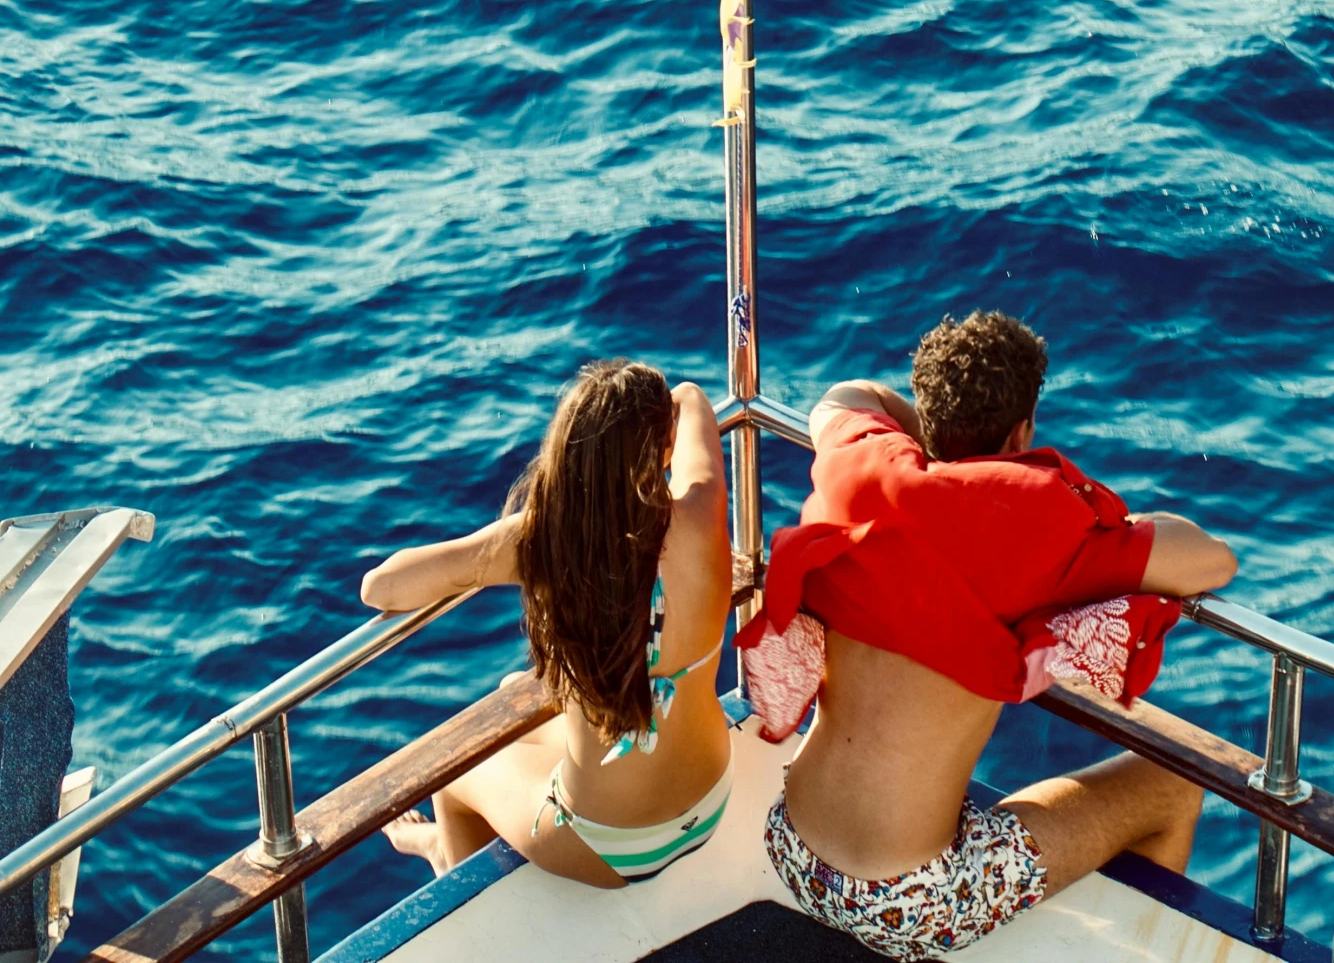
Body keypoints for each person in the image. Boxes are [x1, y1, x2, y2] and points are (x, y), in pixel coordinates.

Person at [752, 310, 1239, 958]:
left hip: (791, 839)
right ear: (1022, 431)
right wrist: (1115, 527)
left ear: (926, 416)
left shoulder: (862, 465)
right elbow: (1211, 560)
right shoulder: (1042, 532)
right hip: (904, 898)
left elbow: (844, 396)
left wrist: (929, 449)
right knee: (1173, 782)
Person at [359, 361, 734, 886]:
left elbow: (380, 588)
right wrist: (674, 399)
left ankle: (448, 862)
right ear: (664, 450)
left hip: (613, 847)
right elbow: (692, 400)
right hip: (712, 797)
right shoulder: (703, 505)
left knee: (453, 772)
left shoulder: (541, 541)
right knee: (516, 690)